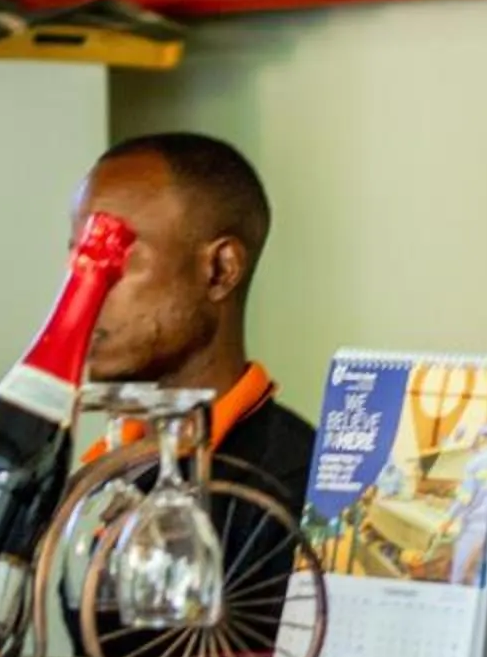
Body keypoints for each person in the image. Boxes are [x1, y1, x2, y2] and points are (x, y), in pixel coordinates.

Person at [76, 131, 314, 509]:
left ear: (220, 270)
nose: (84, 290)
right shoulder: (96, 478)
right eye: (81, 261)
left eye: (120, 259)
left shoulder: (298, 492)